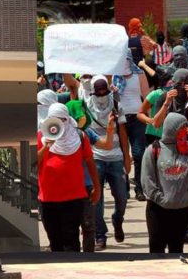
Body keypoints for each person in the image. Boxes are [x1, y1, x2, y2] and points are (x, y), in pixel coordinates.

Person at [141, 112, 188, 253]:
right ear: (172, 128)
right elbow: (147, 180)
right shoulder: (153, 149)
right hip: (158, 209)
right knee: (156, 250)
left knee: (177, 249)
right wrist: (161, 199)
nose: (185, 130)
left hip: (183, 208)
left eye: (186, 126)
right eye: (181, 127)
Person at [38, 103, 100, 251]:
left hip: (74, 197)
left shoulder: (79, 136)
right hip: (49, 198)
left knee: (71, 239)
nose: (59, 123)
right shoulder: (41, 136)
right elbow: (34, 161)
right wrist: (46, 145)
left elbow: (90, 162)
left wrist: (97, 187)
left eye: (62, 119)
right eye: (55, 119)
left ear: (67, 119)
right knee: (55, 240)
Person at [81, 75, 131, 250]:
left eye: (105, 91)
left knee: (122, 197)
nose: (102, 94)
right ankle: (100, 236)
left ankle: (118, 220)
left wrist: (127, 156)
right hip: (96, 158)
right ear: (93, 92)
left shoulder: (116, 105)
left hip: (116, 157)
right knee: (97, 200)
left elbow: (122, 131)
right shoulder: (86, 107)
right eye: (99, 91)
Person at [114, 53, 150, 203]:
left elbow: (147, 96)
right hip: (120, 119)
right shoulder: (114, 75)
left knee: (138, 153)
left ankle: (139, 189)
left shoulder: (139, 74)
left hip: (137, 117)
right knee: (122, 154)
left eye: (127, 59)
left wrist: (149, 118)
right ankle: (124, 188)